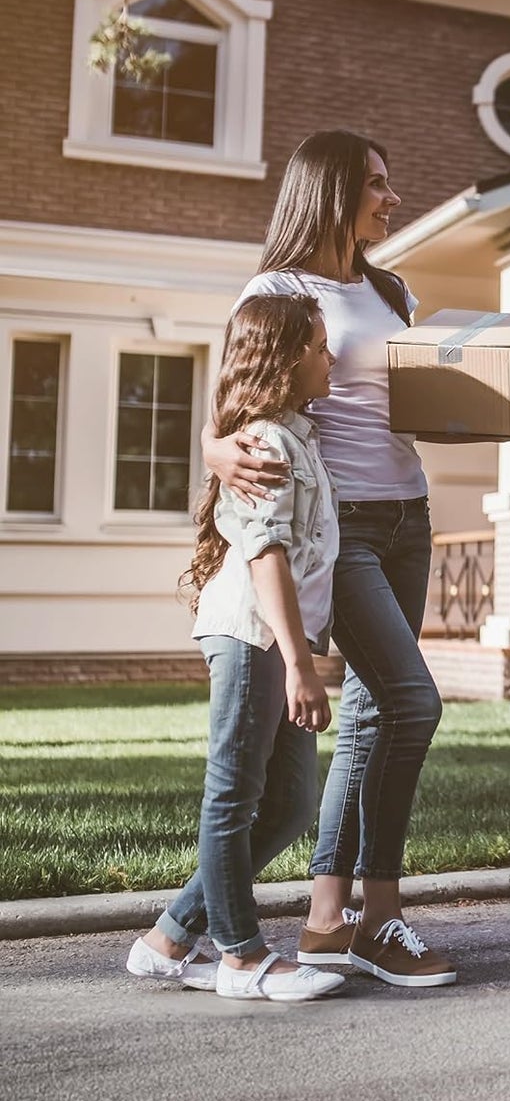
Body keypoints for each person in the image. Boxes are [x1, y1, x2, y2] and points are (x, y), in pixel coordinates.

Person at [204, 130, 510, 988]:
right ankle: (379, 913)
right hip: (342, 525)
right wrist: (215, 454)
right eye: (376, 184)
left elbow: (404, 409)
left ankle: (330, 918)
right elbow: (237, 401)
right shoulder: (277, 288)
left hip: (408, 513)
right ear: (330, 190)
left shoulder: (389, 287)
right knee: (412, 702)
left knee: (370, 714)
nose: (391, 199)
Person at [126, 294, 346, 1002]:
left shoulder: (296, 433)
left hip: (275, 637)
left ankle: (167, 938)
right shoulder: (265, 444)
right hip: (253, 633)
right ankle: (241, 955)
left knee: (287, 805)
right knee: (234, 796)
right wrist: (299, 662)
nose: (330, 356)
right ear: (285, 359)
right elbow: (265, 557)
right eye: (319, 345)